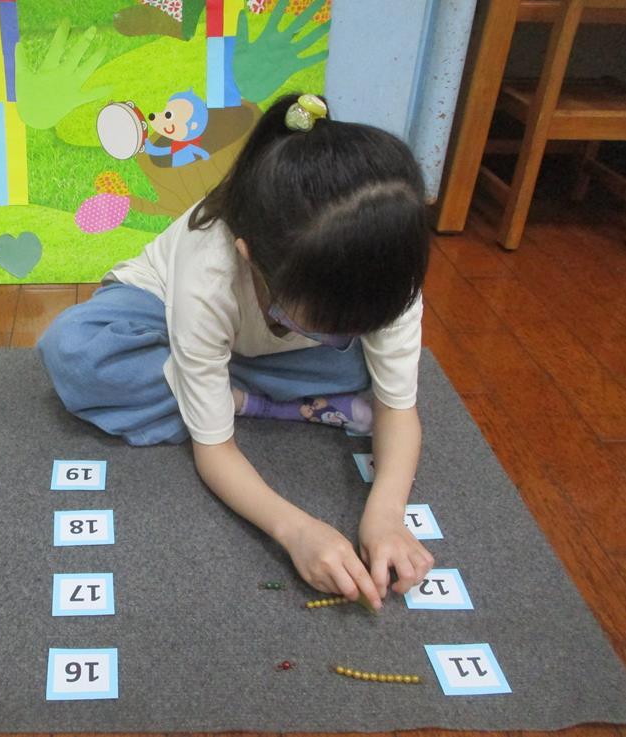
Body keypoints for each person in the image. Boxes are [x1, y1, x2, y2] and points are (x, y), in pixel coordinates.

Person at [39, 93, 434, 609]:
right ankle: (265, 402)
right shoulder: (211, 269)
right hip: (163, 315)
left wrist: (386, 516)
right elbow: (215, 451)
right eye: (319, 323)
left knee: (369, 371)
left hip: (261, 356)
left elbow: (399, 410)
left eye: (358, 327)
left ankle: (229, 392)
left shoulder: (387, 275)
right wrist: (295, 530)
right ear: (249, 254)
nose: (347, 331)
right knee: (77, 353)